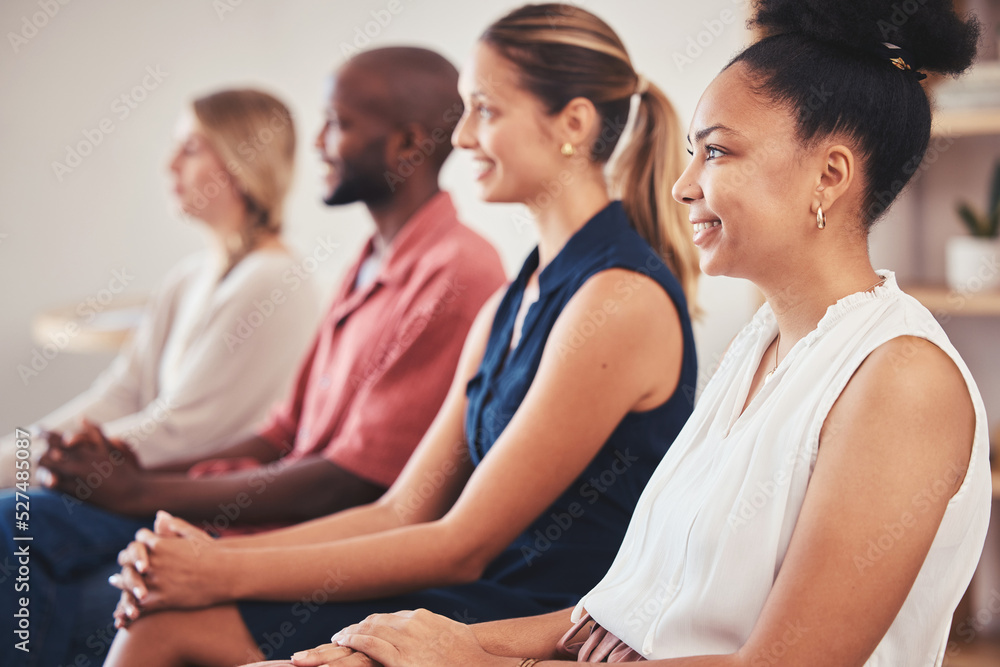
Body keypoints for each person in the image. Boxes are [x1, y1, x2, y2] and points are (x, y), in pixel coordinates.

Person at [277, 1, 994, 666]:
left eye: (716, 152)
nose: (683, 185)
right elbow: (606, 620)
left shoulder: (901, 379)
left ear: (829, 175)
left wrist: (468, 660)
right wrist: (418, 641)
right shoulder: (761, 353)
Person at [103, 5, 701, 666]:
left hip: (528, 618)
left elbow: (462, 541)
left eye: (486, 110)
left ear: (574, 124)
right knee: (159, 622)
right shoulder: (512, 299)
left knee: (179, 617)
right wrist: (201, 559)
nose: (464, 136)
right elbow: (400, 510)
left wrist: (219, 571)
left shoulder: (618, 299)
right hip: (458, 589)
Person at [0, 50, 506, 667]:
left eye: (337, 124)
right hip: (251, 529)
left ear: (406, 143)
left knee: (30, 562)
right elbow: (283, 433)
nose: (316, 143)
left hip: (313, 553)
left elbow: (347, 482)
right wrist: (132, 474)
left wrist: (137, 493)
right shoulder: (367, 260)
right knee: (15, 525)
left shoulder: (457, 273)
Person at [0, 88, 320, 488]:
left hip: (193, 501)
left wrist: (32, 467)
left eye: (190, 149)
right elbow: (120, 396)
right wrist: (14, 455)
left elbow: (176, 436)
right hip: (148, 484)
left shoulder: (273, 282)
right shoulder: (188, 277)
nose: (170, 166)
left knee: (11, 517)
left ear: (243, 161)